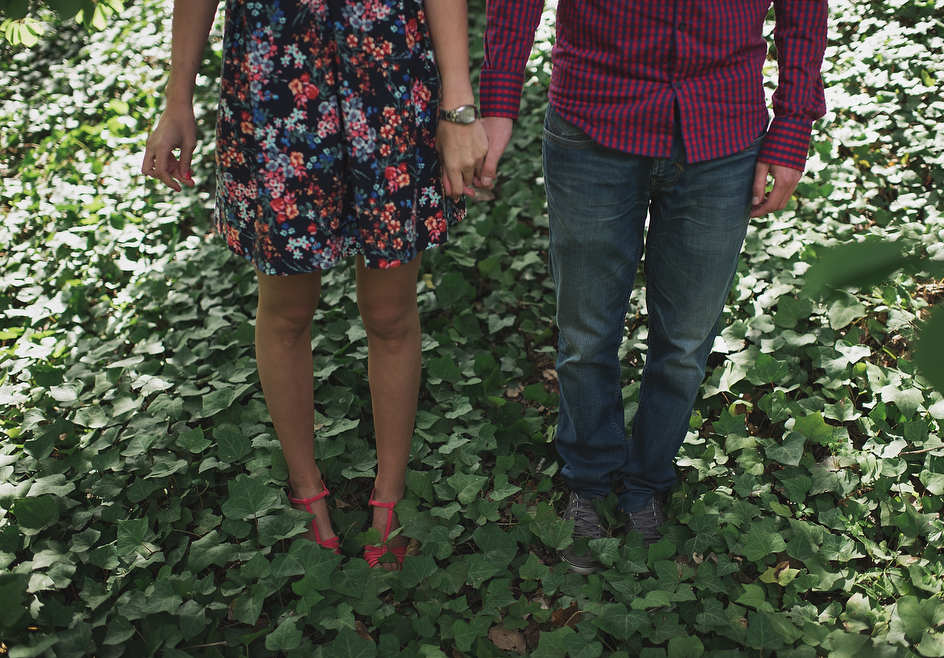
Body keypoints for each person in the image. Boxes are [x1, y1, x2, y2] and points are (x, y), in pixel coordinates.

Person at [480, 0, 827, 573]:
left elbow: (804, 10)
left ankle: (647, 482)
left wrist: (792, 126)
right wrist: (498, 99)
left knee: (687, 341)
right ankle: (588, 482)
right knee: (587, 334)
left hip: (722, 129)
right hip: (596, 118)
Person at [142, 0, 487, 570]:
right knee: (287, 311)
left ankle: (390, 499)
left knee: (390, 313)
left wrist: (457, 102)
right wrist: (178, 97)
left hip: (388, 77)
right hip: (273, 81)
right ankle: (307, 493)